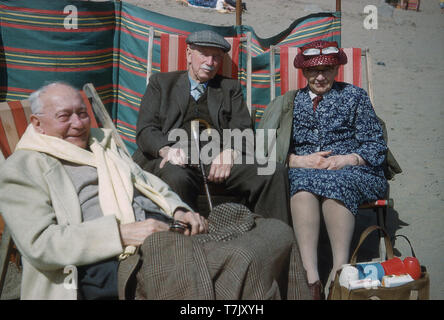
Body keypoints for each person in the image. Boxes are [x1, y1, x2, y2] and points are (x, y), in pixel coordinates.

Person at [0, 82, 311, 300]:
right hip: (110, 258)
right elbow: (41, 244)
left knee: (272, 232)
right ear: (37, 124)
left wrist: (179, 209)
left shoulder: (100, 144)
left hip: (162, 230)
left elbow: (150, 183)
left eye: (82, 113)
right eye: (64, 116)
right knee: (242, 257)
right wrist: (124, 234)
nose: (79, 124)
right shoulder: (22, 169)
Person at [258, 40, 388, 299]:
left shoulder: (354, 96)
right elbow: (267, 150)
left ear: (336, 69)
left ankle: (340, 271)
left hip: (354, 169)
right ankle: (311, 278)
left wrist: (346, 159)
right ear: (304, 73)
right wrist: (298, 160)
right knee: (301, 186)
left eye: (327, 69)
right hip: (304, 169)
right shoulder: (289, 103)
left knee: (336, 183)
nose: (320, 76)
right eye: (313, 71)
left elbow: (375, 146)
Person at [132, 30, 291, 224]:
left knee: (273, 172)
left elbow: (243, 129)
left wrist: (230, 152)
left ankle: (274, 241)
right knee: (175, 176)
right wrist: (167, 150)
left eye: (216, 57)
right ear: (189, 54)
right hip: (176, 158)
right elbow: (145, 130)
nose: (210, 62)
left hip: (216, 157)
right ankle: (185, 244)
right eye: (204, 55)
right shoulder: (161, 83)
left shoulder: (229, 88)